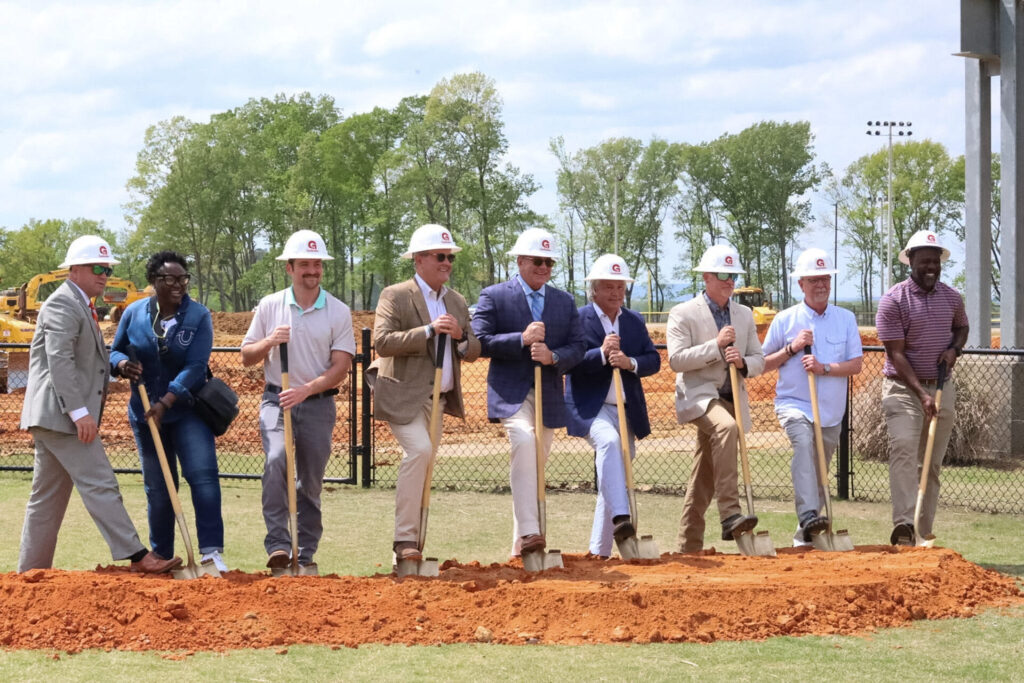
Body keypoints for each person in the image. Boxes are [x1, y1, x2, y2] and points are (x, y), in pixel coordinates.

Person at [17, 235, 181, 574]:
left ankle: (29, 574)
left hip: (49, 417)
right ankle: (138, 556)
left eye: (107, 269)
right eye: (97, 268)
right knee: (101, 481)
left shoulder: (80, 304)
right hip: (62, 416)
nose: (104, 275)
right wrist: (80, 413)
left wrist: (118, 365)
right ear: (74, 269)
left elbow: (85, 359)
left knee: (46, 499)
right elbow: (59, 360)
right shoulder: (63, 303)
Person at [241, 229, 355, 572]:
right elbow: (247, 355)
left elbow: (341, 366)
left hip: (318, 403)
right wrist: (270, 342)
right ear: (289, 268)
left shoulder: (337, 310)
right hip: (277, 400)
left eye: (317, 264)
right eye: (305, 264)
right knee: (276, 459)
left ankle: (304, 553)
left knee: (310, 481)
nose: (312, 270)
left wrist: (307, 389)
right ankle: (278, 544)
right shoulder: (270, 306)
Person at [109, 250, 227, 572]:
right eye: (169, 279)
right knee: (159, 489)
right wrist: (121, 364)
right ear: (153, 282)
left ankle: (210, 553)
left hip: (186, 411)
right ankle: (161, 556)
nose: (178, 284)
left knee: (203, 478)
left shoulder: (199, 316)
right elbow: (115, 349)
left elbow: (196, 366)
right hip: (145, 413)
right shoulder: (133, 313)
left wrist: (168, 400)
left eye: (183, 278)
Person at [370, 224, 481, 562]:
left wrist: (460, 335)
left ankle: (411, 551)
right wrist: (430, 330)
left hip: (439, 399)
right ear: (419, 260)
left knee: (426, 465)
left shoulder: (456, 300)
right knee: (419, 452)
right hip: (403, 396)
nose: (447, 262)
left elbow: (474, 349)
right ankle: (404, 541)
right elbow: (383, 342)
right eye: (440, 256)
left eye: (450, 257)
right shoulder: (396, 295)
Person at [472, 228, 585, 556]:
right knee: (522, 442)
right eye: (537, 260)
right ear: (520, 261)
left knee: (534, 465)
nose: (544, 268)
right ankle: (532, 532)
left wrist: (554, 357)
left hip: (548, 394)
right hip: (511, 394)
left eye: (549, 262)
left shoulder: (563, 301)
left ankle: (520, 549)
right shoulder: (495, 296)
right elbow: (480, 342)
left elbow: (579, 346)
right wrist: (520, 339)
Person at [666, 244, 765, 554]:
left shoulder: (744, 314)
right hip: (699, 396)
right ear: (706, 276)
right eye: (723, 274)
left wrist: (742, 363)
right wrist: (716, 346)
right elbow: (676, 360)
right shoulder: (683, 313)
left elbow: (758, 359)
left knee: (703, 477)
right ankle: (730, 514)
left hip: (732, 396)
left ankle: (689, 545)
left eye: (733, 275)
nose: (729, 280)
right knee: (727, 428)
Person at [762, 248, 862, 547]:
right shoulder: (784, 320)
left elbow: (856, 365)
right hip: (794, 405)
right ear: (800, 284)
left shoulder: (845, 319)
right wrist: (792, 348)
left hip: (831, 411)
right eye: (814, 280)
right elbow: (762, 364)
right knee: (804, 446)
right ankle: (808, 515)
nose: (821, 285)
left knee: (820, 471)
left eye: (826, 280)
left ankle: (804, 536)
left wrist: (824, 368)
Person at [564, 254, 660, 558]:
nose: (616, 293)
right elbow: (570, 362)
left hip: (624, 407)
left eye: (620, 287)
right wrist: (602, 355)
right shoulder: (578, 320)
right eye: (609, 287)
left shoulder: (633, 321)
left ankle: (599, 552)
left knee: (615, 471)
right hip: (591, 407)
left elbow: (653, 359)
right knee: (608, 444)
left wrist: (629, 362)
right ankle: (622, 516)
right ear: (594, 289)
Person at [876, 230, 968, 546]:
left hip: (942, 386)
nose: (931, 266)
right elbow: (895, 353)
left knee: (929, 462)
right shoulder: (893, 300)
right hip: (903, 389)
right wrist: (921, 394)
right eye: (924, 260)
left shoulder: (952, 297)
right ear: (910, 260)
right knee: (904, 450)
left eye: (935, 260)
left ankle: (922, 532)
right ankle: (904, 527)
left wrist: (955, 349)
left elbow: (962, 327)